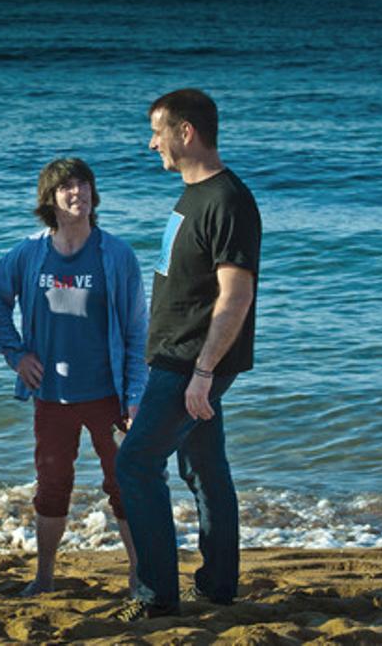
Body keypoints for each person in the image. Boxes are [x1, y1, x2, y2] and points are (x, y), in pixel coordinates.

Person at [114, 89, 262, 621]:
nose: (151, 143)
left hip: (189, 364)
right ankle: (218, 586)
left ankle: (156, 597)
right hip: (179, 359)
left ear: (186, 133)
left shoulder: (227, 200)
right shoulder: (194, 194)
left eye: (158, 131)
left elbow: (236, 294)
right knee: (203, 469)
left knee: (135, 464)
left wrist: (202, 372)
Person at [0, 157, 148, 597]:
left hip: (107, 396)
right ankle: (44, 578)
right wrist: (15, 354)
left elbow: (136, 331)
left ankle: (140, 576)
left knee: (123, 483)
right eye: (67, 187)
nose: (78, 193)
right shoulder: (28, 253)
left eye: (84, 185)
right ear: (50, 200)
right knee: (52, 485)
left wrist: (135, 396)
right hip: (52, 396)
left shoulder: (116, 254)